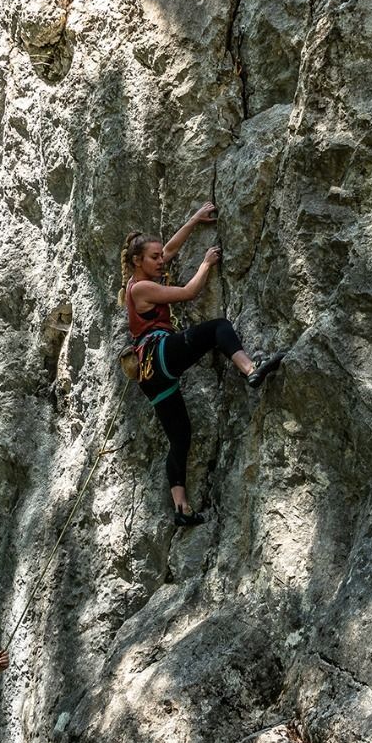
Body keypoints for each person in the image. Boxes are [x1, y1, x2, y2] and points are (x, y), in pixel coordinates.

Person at [121, 201, 284, 526]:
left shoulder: (135, 281)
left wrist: (194, 219)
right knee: (218, 328)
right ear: (138, 261)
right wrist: (207, 263)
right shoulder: (142, 288)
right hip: (160, 354)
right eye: (153, 258)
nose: (161, 260)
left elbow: (169, 248)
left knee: (180, 437)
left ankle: (180, 508)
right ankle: (251, 370)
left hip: (149, 374)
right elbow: (189, 292)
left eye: (159, 257)